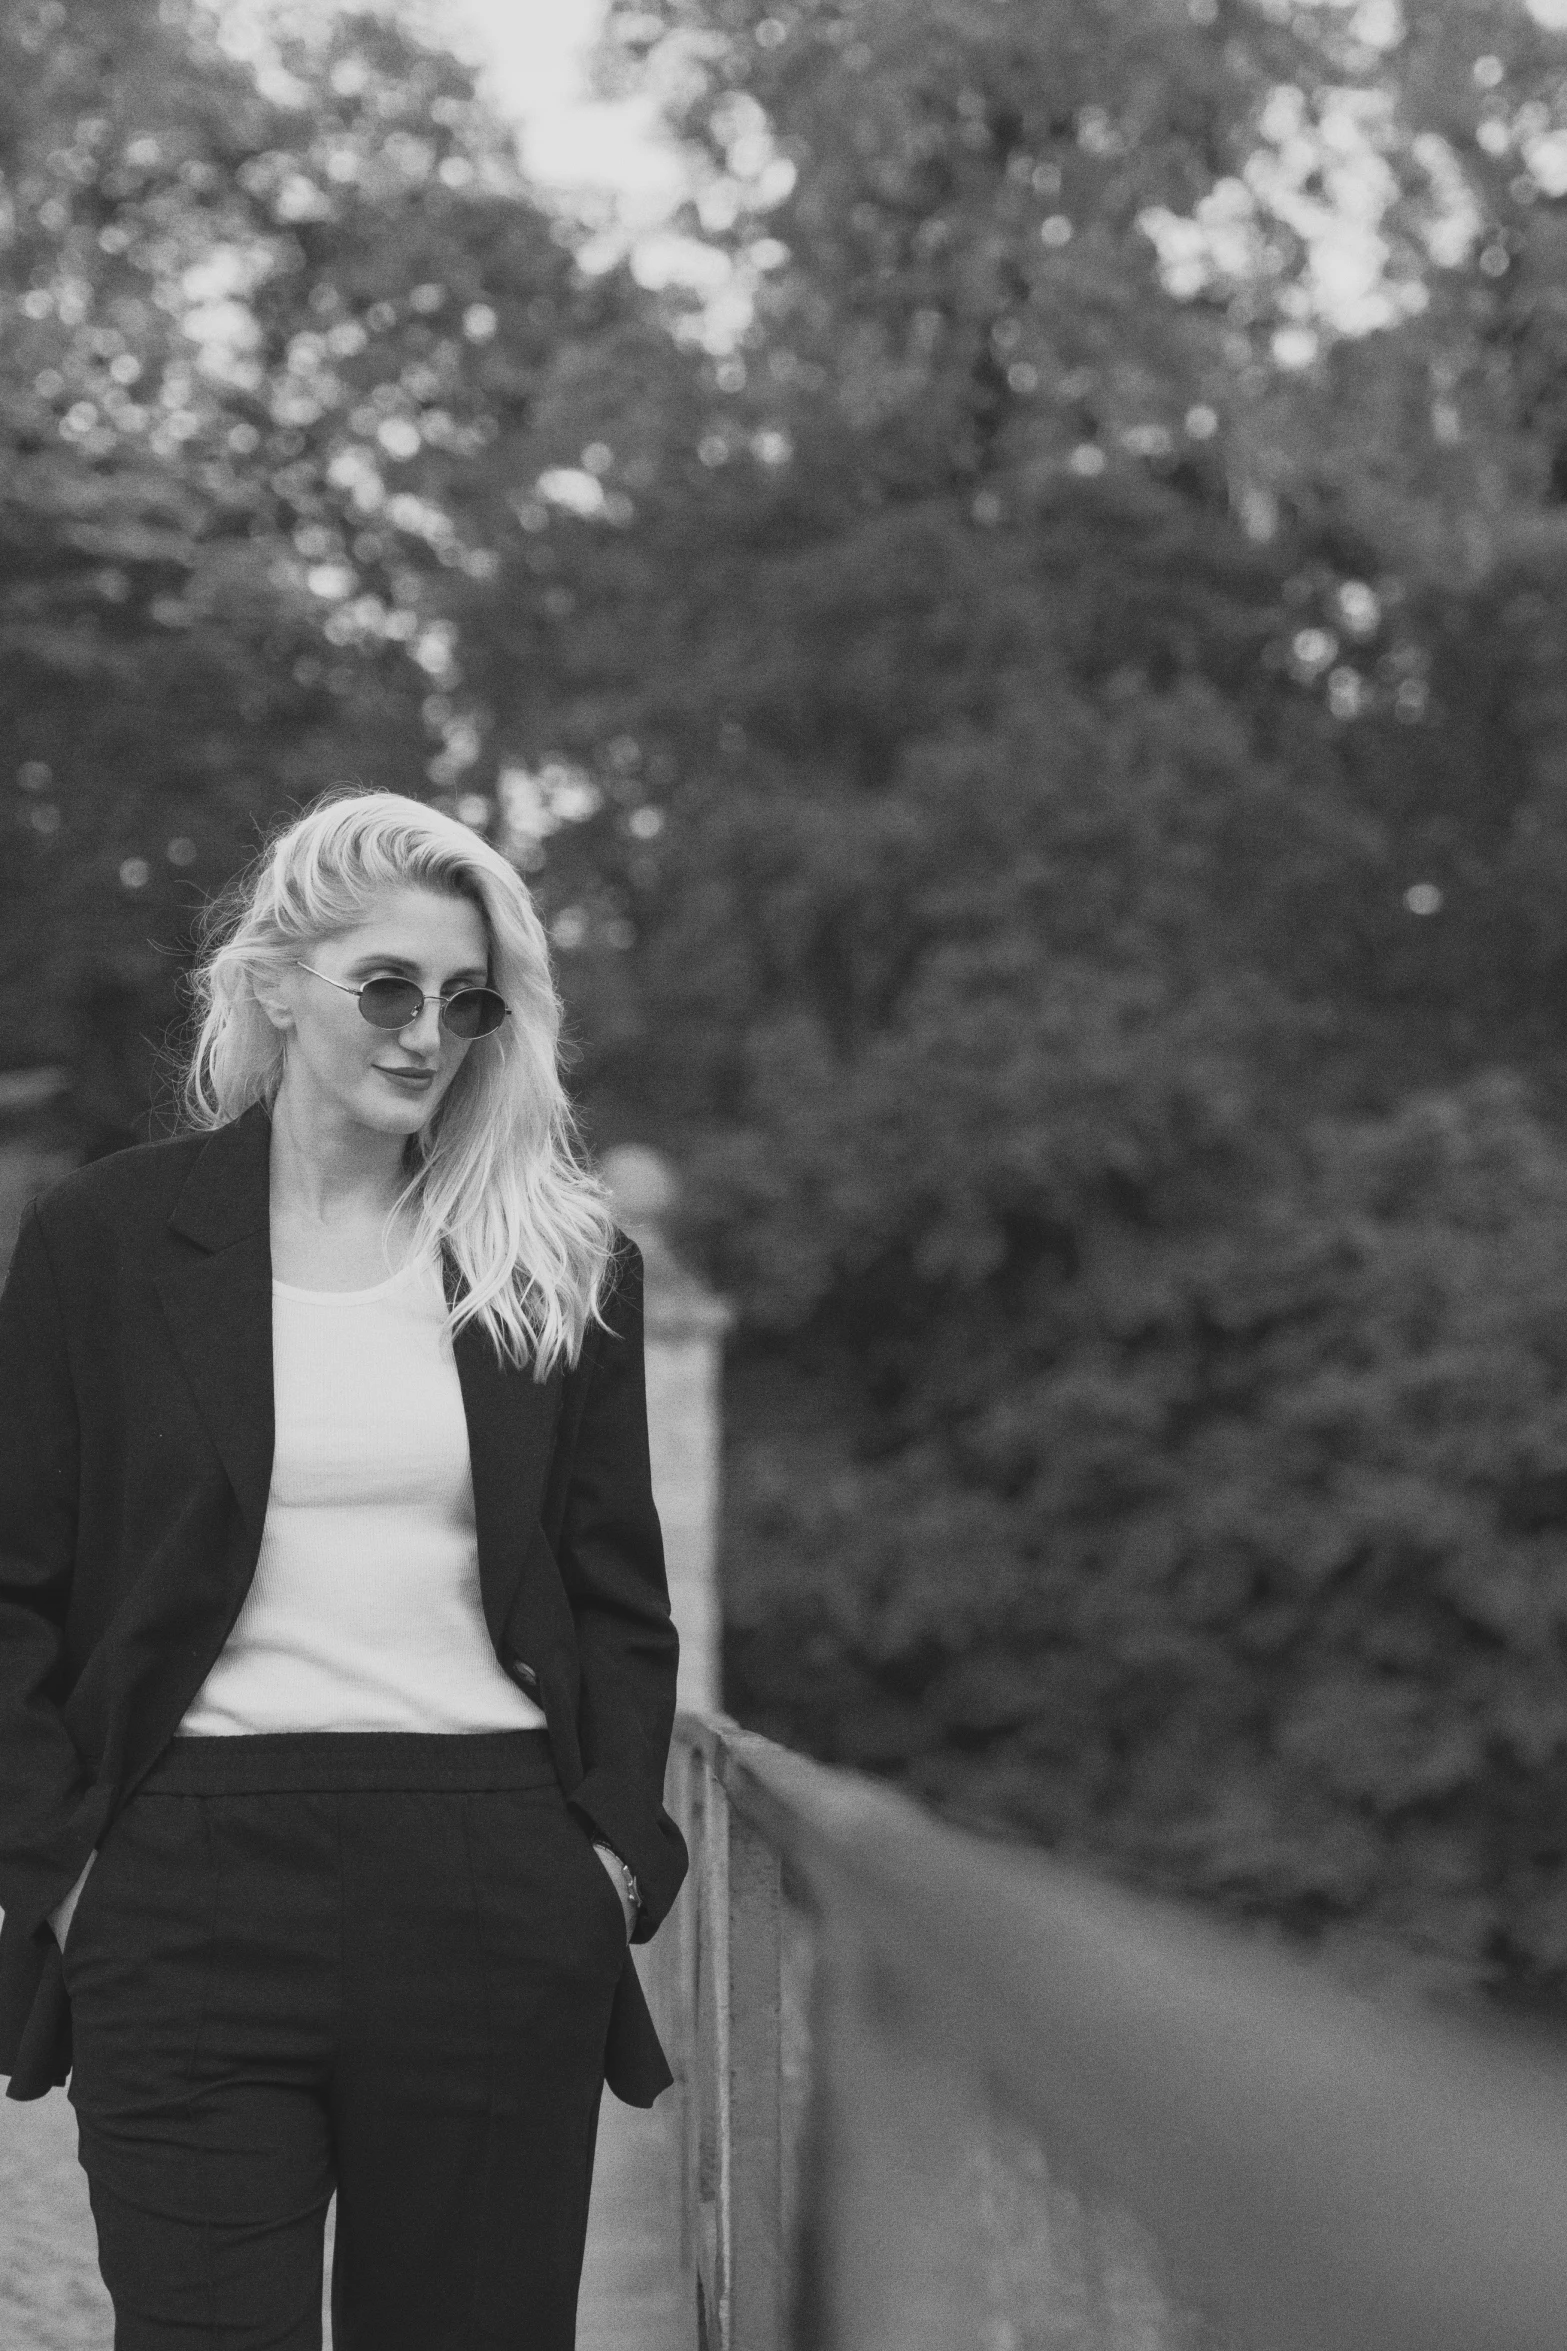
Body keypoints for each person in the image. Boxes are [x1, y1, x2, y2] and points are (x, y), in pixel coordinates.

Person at [0, 791, 688, 2349]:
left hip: (494, 1878)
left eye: (464, 999)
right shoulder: (102, 1243)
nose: (424, 1031)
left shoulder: (557, 1258)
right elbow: (15, 1586)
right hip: (181, 1879)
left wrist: (614, 1855)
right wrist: (58, 1867)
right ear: (274, 983)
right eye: (386, 985)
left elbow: (615, 1602)